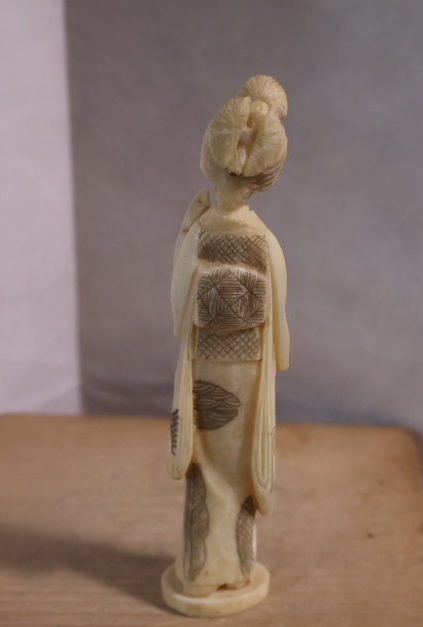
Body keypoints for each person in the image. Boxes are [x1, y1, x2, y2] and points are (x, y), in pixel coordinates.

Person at [167, 75, 290, 597]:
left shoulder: (200, 231)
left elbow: (179, 307)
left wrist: (185, 240)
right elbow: (278, 324)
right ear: (265, 177)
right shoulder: (264, 242)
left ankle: (201, 567)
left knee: (204, 458)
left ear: (209, 162)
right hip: (250, 367)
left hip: (206, 361)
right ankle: (234, 566)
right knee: (238, 466)